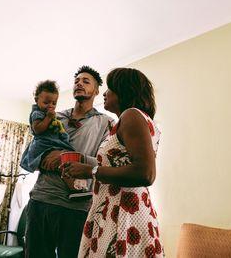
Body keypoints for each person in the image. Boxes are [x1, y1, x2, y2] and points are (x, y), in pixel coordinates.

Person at [61, 68, 164, 257]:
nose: (105, 94)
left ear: (123, 90)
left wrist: (91, 171)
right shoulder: (136, 119)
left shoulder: (132, 115)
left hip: (124, 212)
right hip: (116, 209)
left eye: (110, 89)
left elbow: (146, 173)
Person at [23, 66, 114, 258]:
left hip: (77, 208)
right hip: (41, 200)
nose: (79, 83)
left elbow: (106, 163)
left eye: (86, 81)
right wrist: (46, 158)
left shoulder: (106, 123)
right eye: (76, 81)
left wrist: (71, 158)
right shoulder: (53, 116)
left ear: (97, 91)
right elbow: (33, 150)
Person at [21, 80, 87, 191]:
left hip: (52, 144)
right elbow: (37, 130)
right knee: (63, 162)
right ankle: (74, 188)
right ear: (37, 100)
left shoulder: (51, 114)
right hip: (43, 145)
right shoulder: (37, 113)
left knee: (66, 162)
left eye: (53, 103)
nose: (50, 106)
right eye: (46, 103)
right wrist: (48, 118)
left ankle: (77, 186)